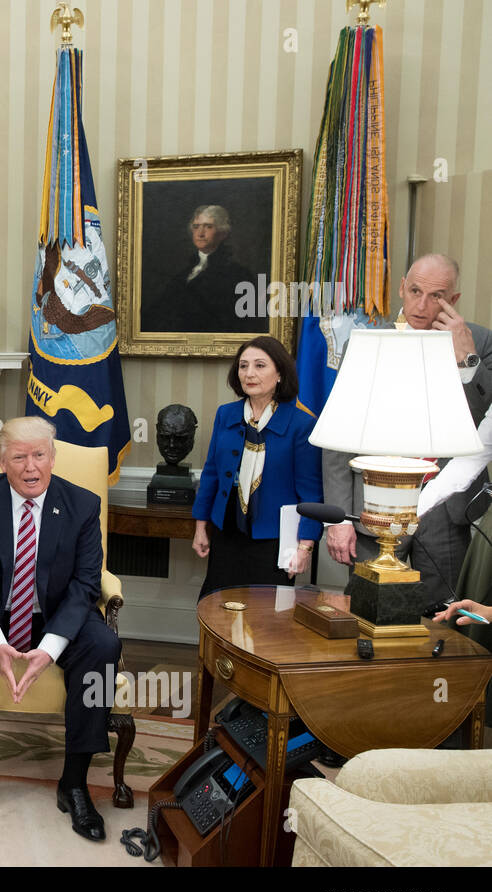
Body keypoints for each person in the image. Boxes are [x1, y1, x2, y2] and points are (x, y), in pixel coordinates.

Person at [0, 416, 121, 841]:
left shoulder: (83, 505)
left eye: (39, 455)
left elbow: (86, 583)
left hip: (54, 617)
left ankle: (74, 781)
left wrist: (50, 648)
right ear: (1, 461)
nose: (30, 467)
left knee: (104, 645)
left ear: (53, 458)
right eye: (19, 457)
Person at [324, 254, 492, 603]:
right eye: (415, 291)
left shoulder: (479, 341)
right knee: (371, 612)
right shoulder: (365, 343)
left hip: (446, 508)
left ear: (454, 301)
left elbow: (483, 421)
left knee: (443, 621)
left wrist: (467, 360)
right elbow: (338, 437)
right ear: (401, 287)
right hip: (374, 503)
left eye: (436, 296)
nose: (422, 304)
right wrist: (337, 519)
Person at [193, 336, 322, 597]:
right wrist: (200, 527)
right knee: (217, 611)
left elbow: (311, 494)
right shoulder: (225, 414)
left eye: (260, 365)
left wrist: (305, 546)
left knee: (265, 624)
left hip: (273, 541)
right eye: (243, 366)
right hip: (226, 533)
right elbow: (211, 475)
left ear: (280, 374)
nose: (249, 373)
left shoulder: (301, 424)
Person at [143, 204, 261, 334]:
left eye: (208, 226)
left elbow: (243, 324)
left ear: (223, 233)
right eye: (196, 227)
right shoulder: (183, 274)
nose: (200, 233)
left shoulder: (239, 275)